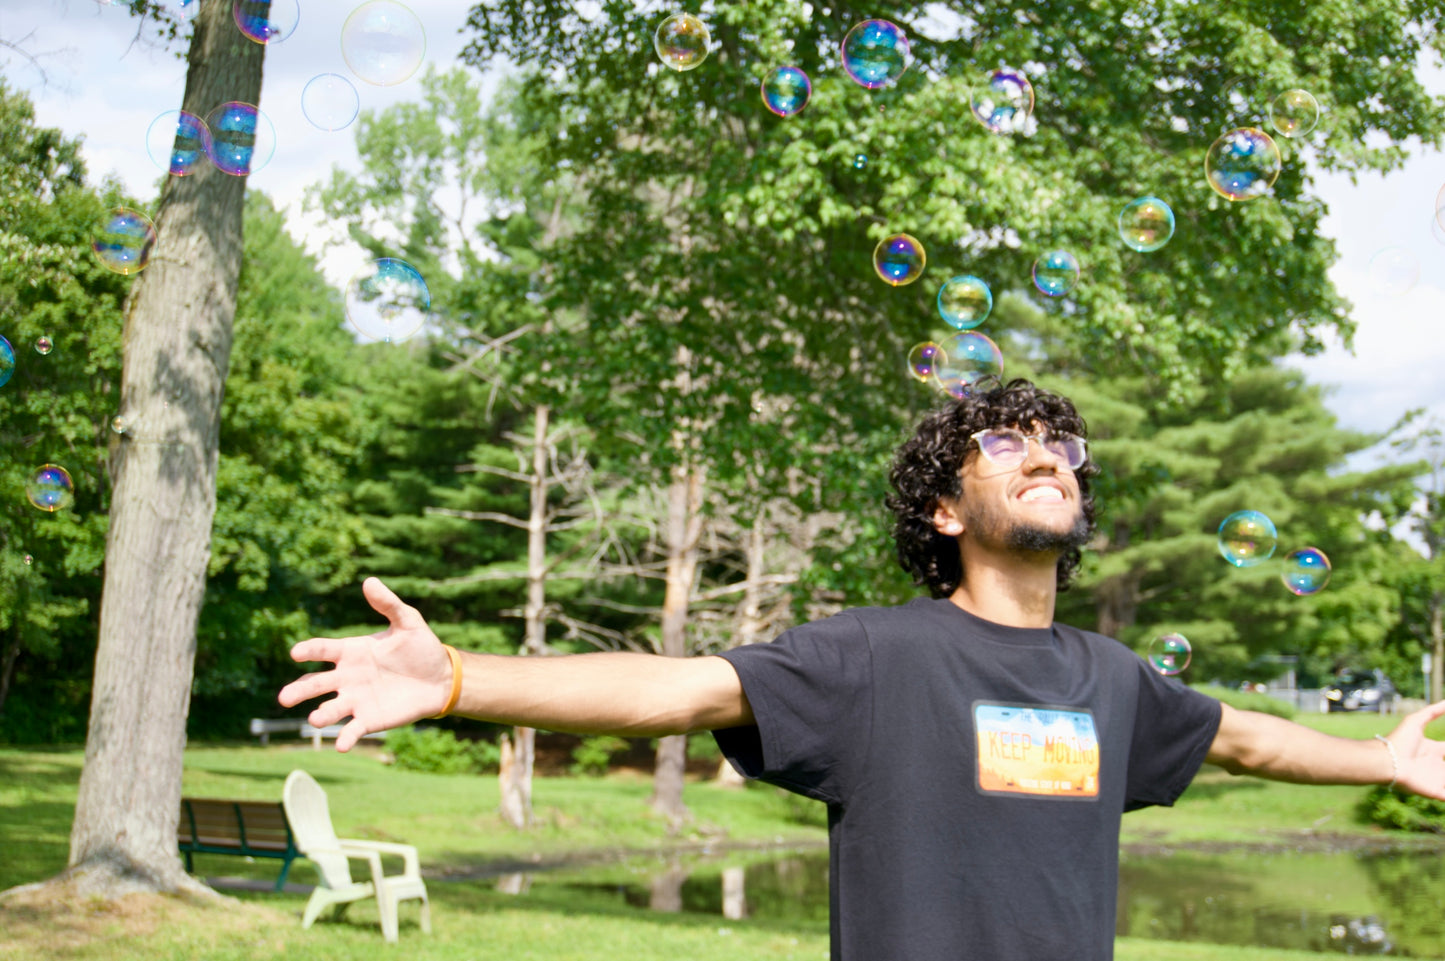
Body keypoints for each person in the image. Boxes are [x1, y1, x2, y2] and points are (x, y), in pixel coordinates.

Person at [279, 377, 1445, 961]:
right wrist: (459, 680)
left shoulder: (1114, 677)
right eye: (1001, 443)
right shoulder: (871, 659)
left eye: (1058, 447)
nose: (1041, 453)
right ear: (943, 510)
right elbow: (669, 688)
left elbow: (1241, 735)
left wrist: (1383, 762)